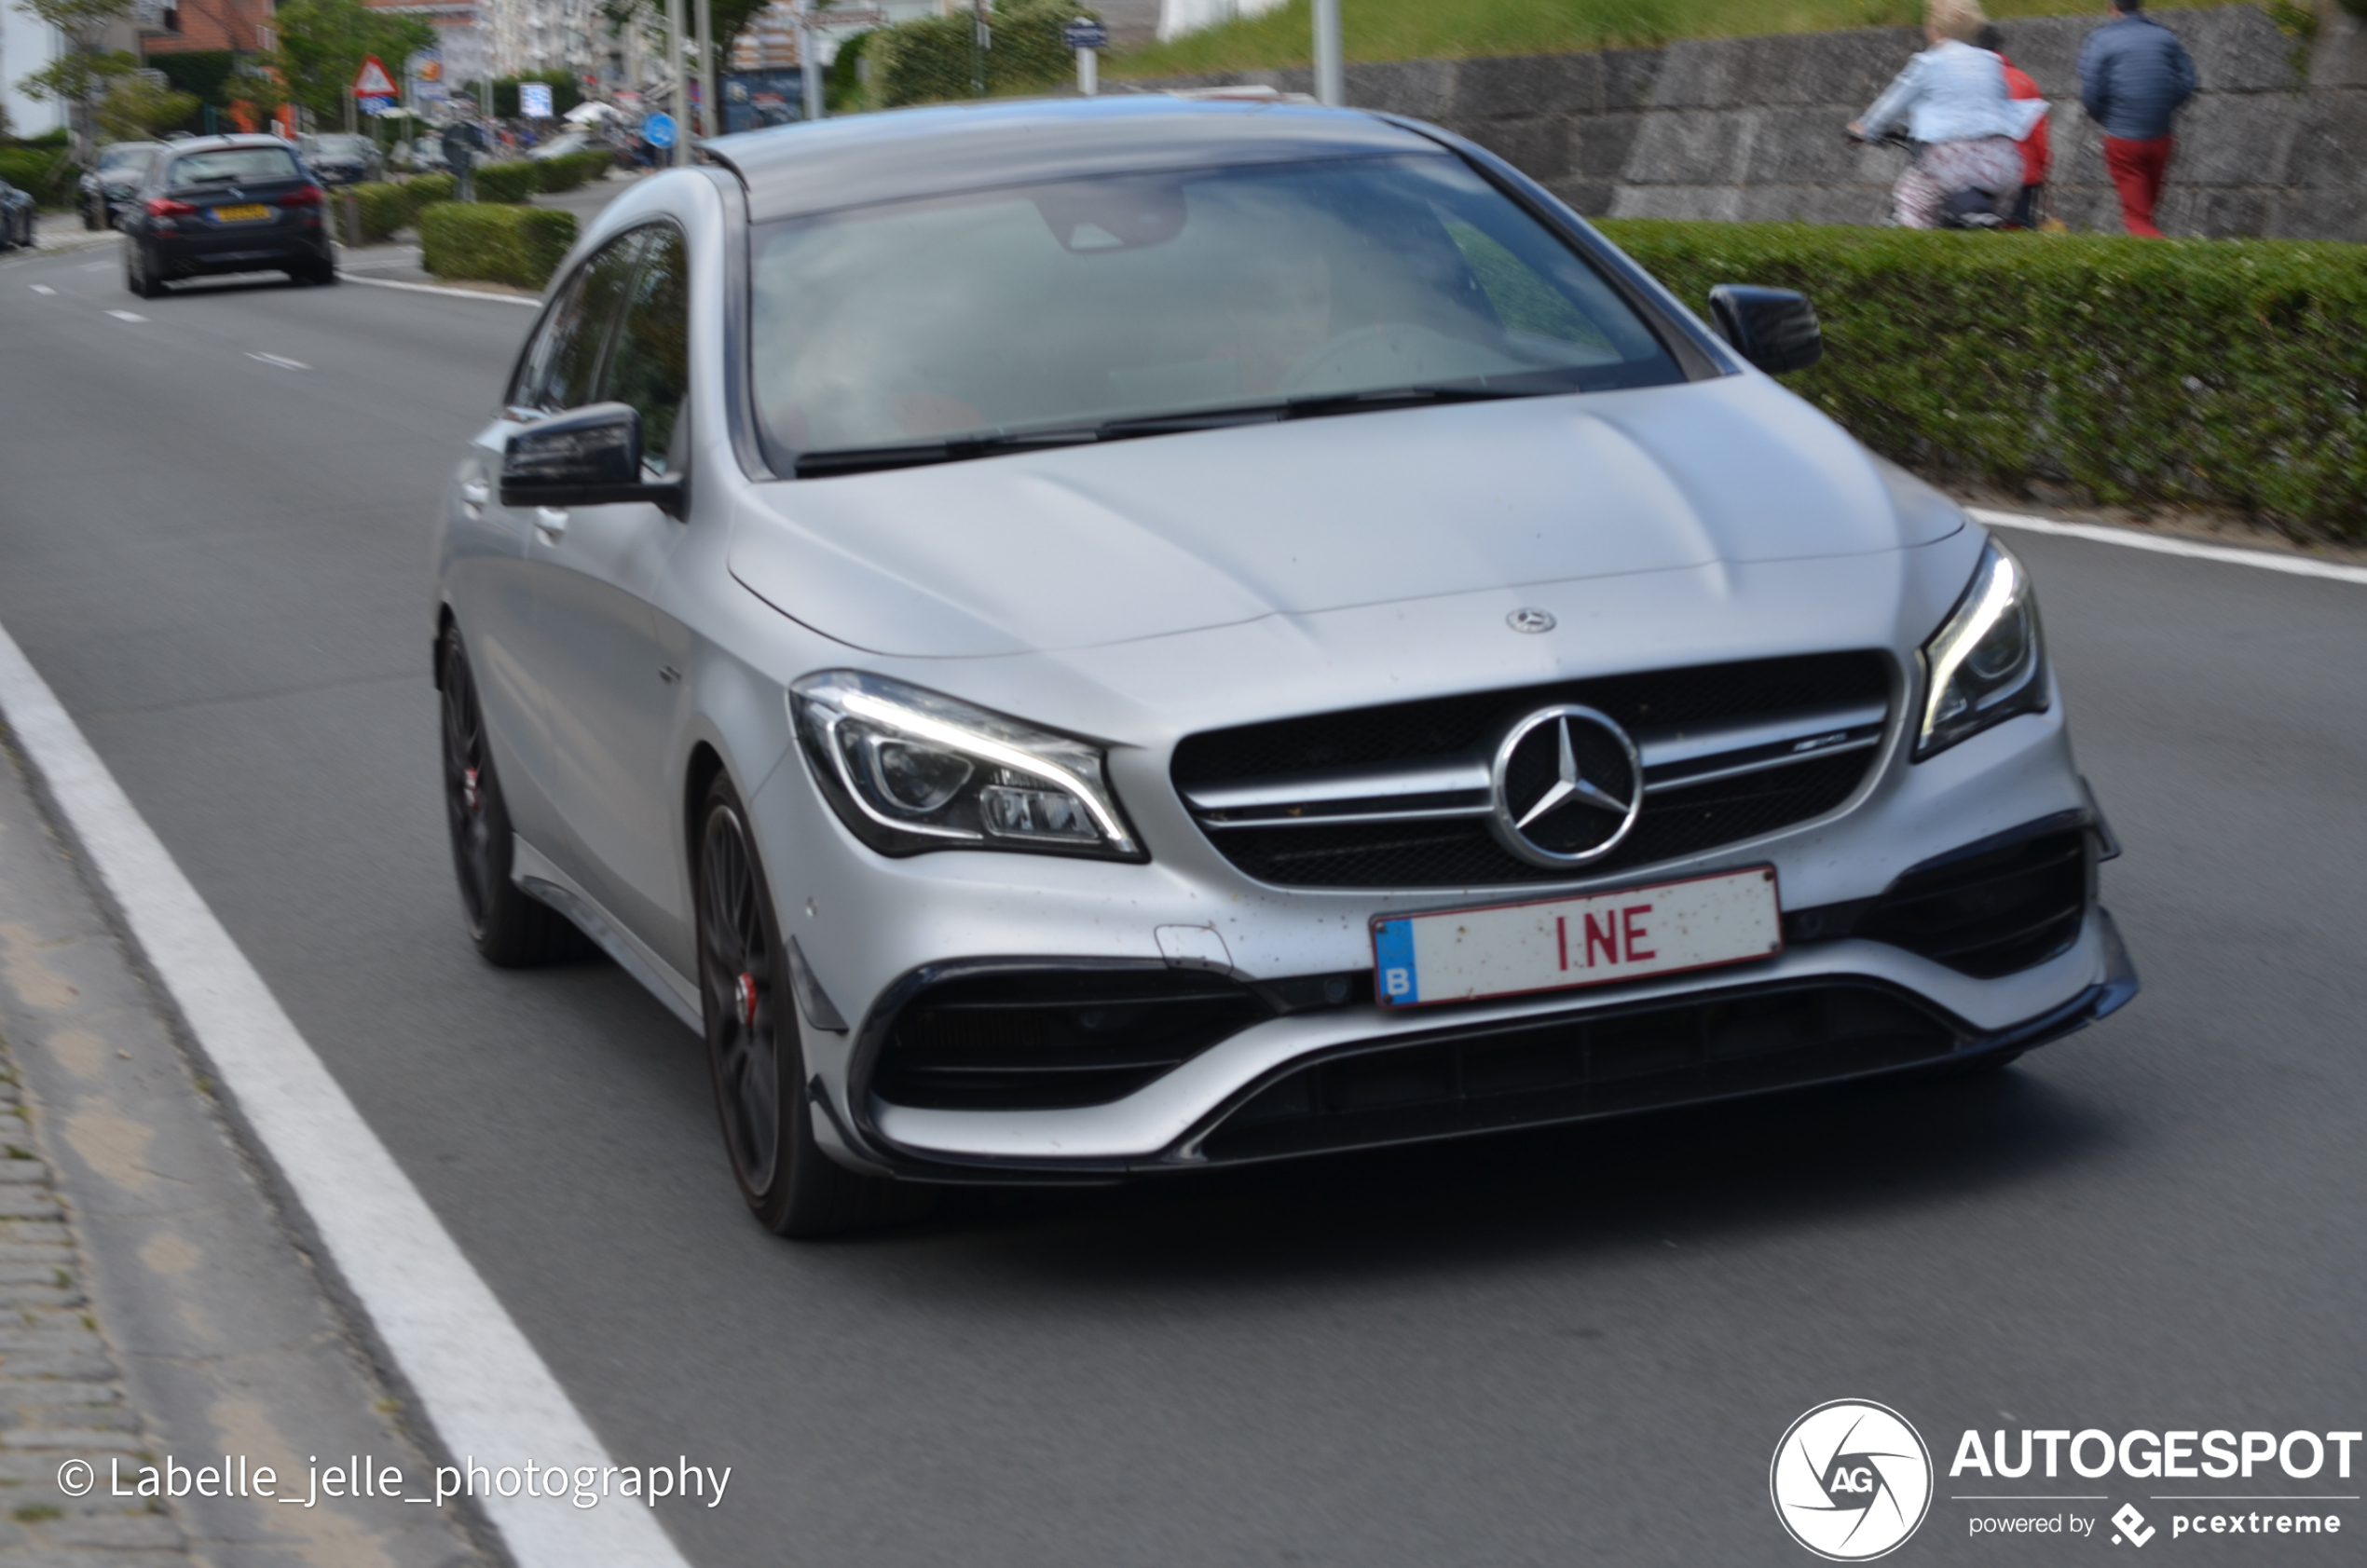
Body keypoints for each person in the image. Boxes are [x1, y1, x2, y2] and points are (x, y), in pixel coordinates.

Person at [1849, 0, 2046, 230]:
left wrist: (1864, 128)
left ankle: (1918, 260)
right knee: (1993, 226)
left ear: (1934, 29)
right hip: (2005, 163)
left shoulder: (1928, 62)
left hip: (1952, 159)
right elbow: (1996, 107)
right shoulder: (1991, 62)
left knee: (1910, 199)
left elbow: (1890, 104)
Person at [2077, 0, 2198, 238]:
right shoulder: (2165, 37)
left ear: (2112, 8)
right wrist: (2163, 106)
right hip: (2161, 136)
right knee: (2147, 210)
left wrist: (2108, 119)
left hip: (2122, 139)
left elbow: (2091, 92)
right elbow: (2188, 82)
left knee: (2137, 216)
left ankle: (2159, 258)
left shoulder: (2100, 40)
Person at [1977, 23, 2051, 228]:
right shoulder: (2024, 82)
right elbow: (2038, 133)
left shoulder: (1966, 82)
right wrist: (2042, 168)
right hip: (2022, 172)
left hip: (1979, 173)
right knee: (2019, 232)